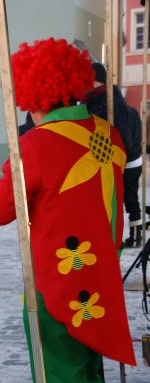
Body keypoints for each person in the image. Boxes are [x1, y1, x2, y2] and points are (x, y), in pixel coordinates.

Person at [0, 37, 136, 383]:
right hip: (101, 284)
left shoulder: (33, 145)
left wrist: (8, 171)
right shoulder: (107, 135)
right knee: (90, 379)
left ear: (34, 98)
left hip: (56, 288)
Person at [84, 63, 143, 248]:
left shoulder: (112, 103)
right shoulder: (94, 100)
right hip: (114, 161)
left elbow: (121, 136)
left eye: (89, 80)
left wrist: (115, 161)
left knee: (129, 199)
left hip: (126, 161)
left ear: (98, 81)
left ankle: (135, 235)